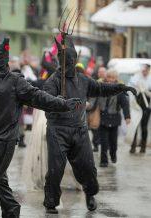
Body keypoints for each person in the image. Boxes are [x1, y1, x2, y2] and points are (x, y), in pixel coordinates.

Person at [0, 31, 83, 218]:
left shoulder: (16, 82)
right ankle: (12, 210)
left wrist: (62, 104)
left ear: (5, 62)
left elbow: (39, 98)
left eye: (0, 62)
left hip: (4, 141)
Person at [42, 36, 137, 214]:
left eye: (72, 60)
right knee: (55, 169)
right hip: (58, 130)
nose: (70, 64)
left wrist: (120, 87)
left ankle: (90, 193)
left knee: (88, 168)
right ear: (61, 62)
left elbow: (101, 89)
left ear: (75, 60)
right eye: (67, 61)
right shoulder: (53, 81)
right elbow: (45, 100)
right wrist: (59, 102)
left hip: (79, 130)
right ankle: (51, 201)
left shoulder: (83, 80)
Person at [98, 70, 131, 167]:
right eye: (109, 77)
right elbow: (94, 99)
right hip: (103, 118)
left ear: (116, 79)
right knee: (104, 142)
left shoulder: (120, 90)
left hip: (114, 119)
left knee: (113, 142)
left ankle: (113, 154)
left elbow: (125, 104)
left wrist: (127, 116)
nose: (110, 80)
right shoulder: (101, 87)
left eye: (113, 78)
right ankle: (103, 161)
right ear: (106, 78)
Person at [129, 64, 151, 153]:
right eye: (143, 70)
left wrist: (146, 91)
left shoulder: (150, 79)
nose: (144, 72)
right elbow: (132, 89)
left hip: (147, 106)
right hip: (137, 105)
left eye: (146, 70)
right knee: (135, 124)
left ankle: (143, 146)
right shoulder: (136, 78)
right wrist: (138, 88)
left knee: (144, 126)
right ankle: (133, 145)